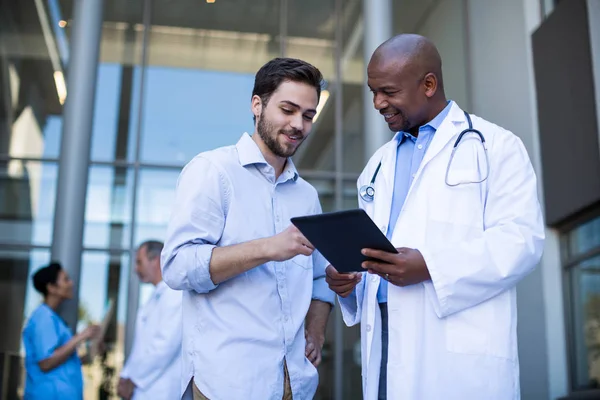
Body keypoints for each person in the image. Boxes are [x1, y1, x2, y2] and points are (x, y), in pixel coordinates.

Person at [325, 34, 545, 399]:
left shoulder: (496, 147)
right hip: (385, 342)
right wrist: (351, 281)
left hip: (455, 351)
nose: (378, 103)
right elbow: (373, 254)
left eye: (388, 91)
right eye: (373, 91)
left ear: (428, 84)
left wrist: (430, 267)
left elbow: (521, 241)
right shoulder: (376, 166)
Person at [161, 57, 335, 400]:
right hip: (224, 384)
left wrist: (316, 331)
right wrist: (267, 248)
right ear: (257, 104)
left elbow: (320, 279)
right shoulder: (213, 171)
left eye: (308, 115)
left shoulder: (307, 196)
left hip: (293, 385)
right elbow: (177, 266)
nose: (298, 123)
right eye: (287, 109)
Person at [22, 262, 100, 400]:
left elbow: (63, 362)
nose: (71, 283)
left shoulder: (53, 319)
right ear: (52, 288)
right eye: (66, 279)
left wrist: (89, 354)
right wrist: (80, 337)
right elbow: (46, 363)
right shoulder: (43, 318)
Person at [117, 240, 182, 400]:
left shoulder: (175, 294)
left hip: (160, 390)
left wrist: (133, 379)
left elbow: (165, 345)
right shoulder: (154, 296)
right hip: (144, 388)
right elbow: (141, 346)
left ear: (156, 260)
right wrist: (126, 375)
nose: (135, 269)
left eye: (139, 262)